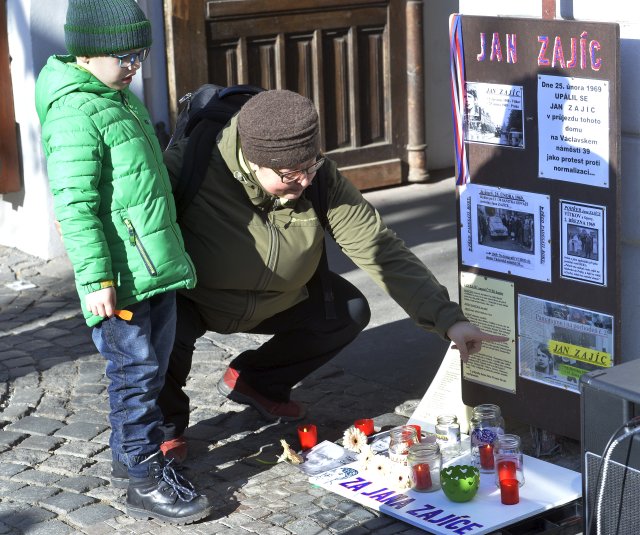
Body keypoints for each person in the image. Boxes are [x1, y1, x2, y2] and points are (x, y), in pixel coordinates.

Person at [157, 89, 507, 461]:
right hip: (198, 298)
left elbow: (378, 246)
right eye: (291, 175)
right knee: (160, 324)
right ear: (253, 162)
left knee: (348, 309)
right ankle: (164, 427)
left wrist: (448, 319)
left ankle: (258, 381)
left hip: (278, 299)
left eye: (311, 166)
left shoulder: (317, 178)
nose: (306, 182)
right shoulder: (189, 168)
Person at [34, 0, 210, 525]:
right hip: (119, 279)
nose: (135, 64)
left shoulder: (117, 97)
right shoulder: (74, 111)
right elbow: (75, 204)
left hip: (151, 268)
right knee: (133, 375)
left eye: (141, 53)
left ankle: (132, 456)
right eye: (125, 55)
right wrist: (96, 280)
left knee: (151, 371)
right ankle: (141, 476)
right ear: (86, 53)